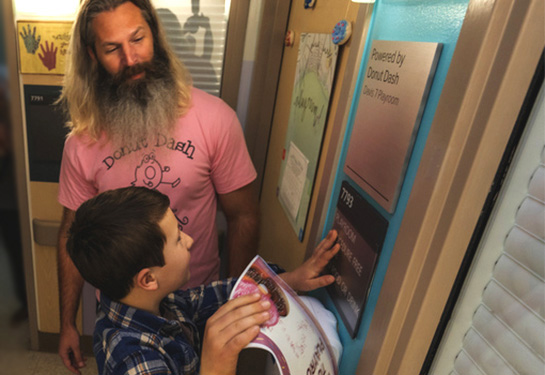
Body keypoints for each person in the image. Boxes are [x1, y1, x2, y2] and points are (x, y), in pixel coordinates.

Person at [56, 0, 259, 372]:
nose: (131, 59)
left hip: (199, 301)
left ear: (155, 34)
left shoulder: (216, 120)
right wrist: (67, 323)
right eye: (112, 48)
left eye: (137, 39)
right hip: (127, 309)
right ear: (93, 55)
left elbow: (243, 215)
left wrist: (238, 301)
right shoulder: (81, 144)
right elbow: (72, 232)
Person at [66, 187, 340, 375]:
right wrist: (214, 366)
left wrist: (290, 279)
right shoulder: (132, 358)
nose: (189, 240)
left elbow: (217, 294)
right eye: (177, 239)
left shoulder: (157, 302)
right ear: (148, 279)